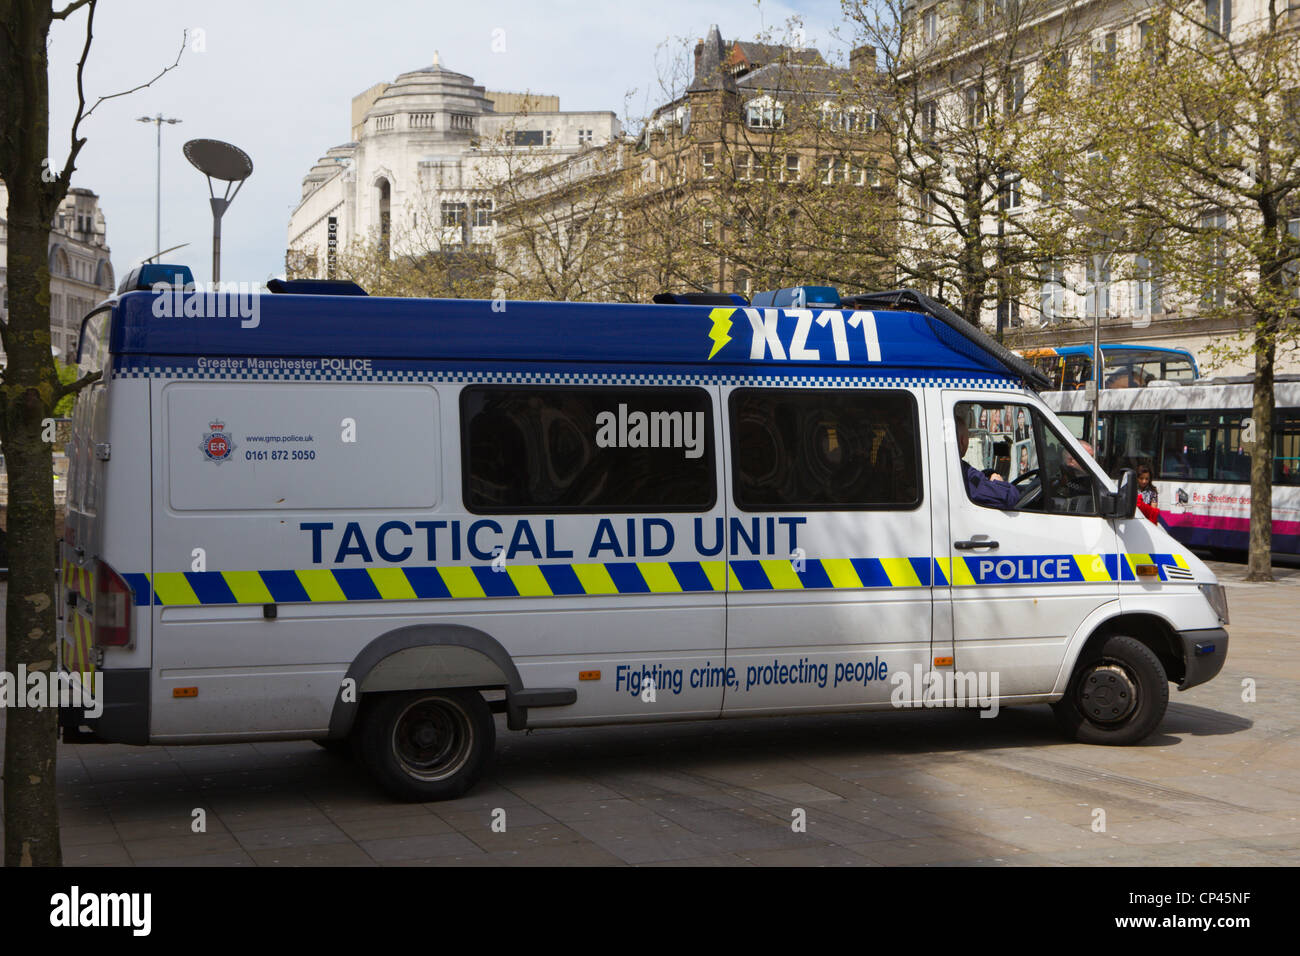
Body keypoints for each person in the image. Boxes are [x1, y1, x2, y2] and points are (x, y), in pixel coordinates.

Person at [956, 416, 1020, 509]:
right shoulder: (963, 473)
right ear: (962, 441)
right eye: (968, 437)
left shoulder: (954, 467)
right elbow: (1009, 497)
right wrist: (998, 482)